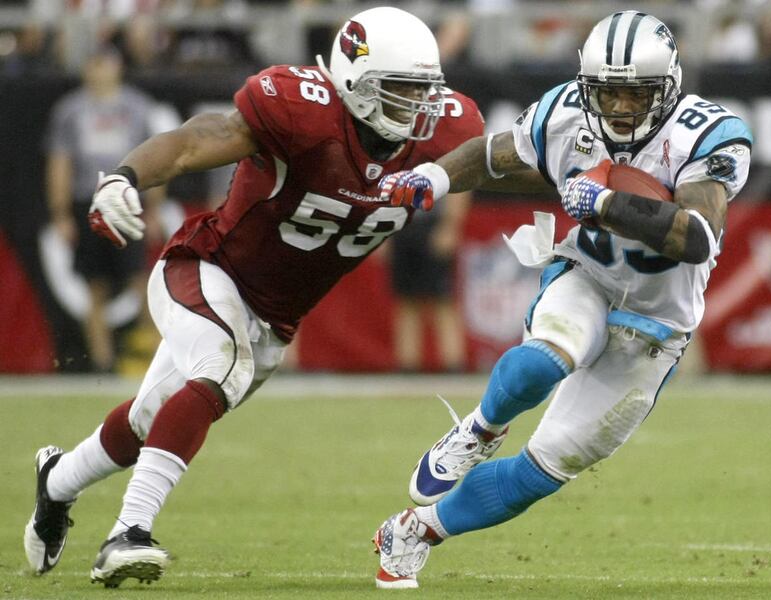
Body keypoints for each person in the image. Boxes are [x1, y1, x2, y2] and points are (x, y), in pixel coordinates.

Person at [23, 7, 484, 588]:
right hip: (207, 268)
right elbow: (197, 140)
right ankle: (127, 533)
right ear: (351, 84)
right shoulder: (302, 110)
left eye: (423, 91)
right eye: (398, 91)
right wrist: (125, 175)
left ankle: (56, 481)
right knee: (221, 367)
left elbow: (499, 161)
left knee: (149, 419)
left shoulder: (446, 130)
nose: (416, 108)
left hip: (274, 316)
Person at [373, 11, 752, 589]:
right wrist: (436, 176)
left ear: (669, 86)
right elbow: (495, 154)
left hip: (657, 325)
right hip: (588, 276)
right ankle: (478, 429)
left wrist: (604, 204)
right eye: (609, 92)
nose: (621, 107)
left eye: (636, 93)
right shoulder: (566, 110)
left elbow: (697, 236)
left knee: (546, 468)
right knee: (545, 357)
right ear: (586, 85)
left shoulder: (707, 132)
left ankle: (415, 530)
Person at [44, 47, 166, 373]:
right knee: (94, 285)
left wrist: (153, 207)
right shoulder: (70, 110)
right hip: (89, 201)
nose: (99, 71)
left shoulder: (137, 106)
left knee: (141, 281)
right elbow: (60, 162)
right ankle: (102, 361)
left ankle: (155, 357)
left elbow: (158, 157)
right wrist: (60, 212)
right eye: (94, 64)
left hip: (127, 201)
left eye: (105, 63)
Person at [389, 191, 471, 373]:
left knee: (443, 300)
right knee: (406, 301)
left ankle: (454, 364)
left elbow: (460, 185)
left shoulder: (438, 160)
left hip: (434, 225)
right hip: (401, 224)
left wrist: (451, 225)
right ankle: (407, 366)